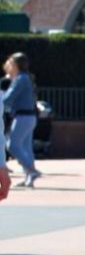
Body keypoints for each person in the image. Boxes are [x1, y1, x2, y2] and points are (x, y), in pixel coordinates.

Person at [3, 52, 41, 187]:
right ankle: (29, 176)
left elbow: (8, 98)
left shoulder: (20, 79)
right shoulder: (25, 78)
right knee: (26, 147)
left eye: (11, 63)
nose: (8, 66)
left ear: (16, 65)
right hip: (29, 117)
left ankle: (32, 170)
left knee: (12, 145)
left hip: (22, 117)